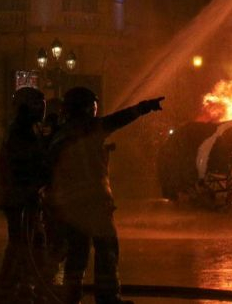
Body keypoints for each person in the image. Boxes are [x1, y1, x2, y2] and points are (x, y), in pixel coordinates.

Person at [47, 87, 164, 304]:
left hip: (71, 206)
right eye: (93, 107)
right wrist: (144, 107)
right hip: (95, 203)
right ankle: (108, 298)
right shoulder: (91, 128)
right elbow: (119, 119)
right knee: (107, 251)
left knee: (77, 254)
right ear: (86, 108)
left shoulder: (59, 135)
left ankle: (71, 297)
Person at [0, 88, 50, 301]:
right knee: (22, 243)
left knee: (28, 241)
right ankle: (10, 287)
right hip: (20, 198)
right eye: (38, 105)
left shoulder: (27, 129)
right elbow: (24, 165)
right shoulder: (20, 132)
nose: (42, 109)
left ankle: (20, 285)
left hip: (21, 196)